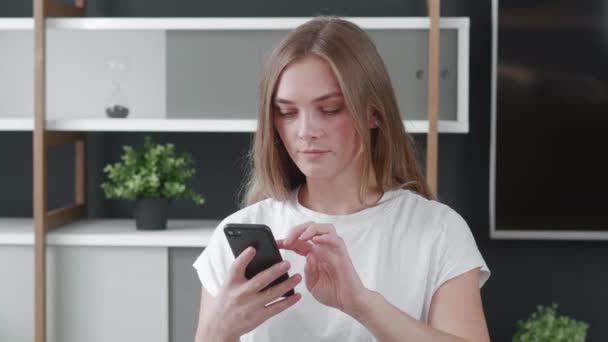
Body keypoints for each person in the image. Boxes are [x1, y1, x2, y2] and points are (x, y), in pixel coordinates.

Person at [193, 16, 491, 342]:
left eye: (330, 108)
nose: (305, 132)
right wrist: (217, 332)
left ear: (374, 113)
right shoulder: (238, 234)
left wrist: (361, 304)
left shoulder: (438, 231)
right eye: (288, 113)